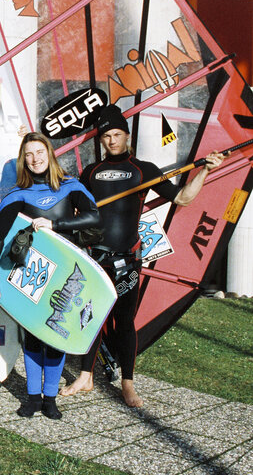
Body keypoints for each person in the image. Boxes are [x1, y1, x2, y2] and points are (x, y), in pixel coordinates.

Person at [60, 104, 226, 407]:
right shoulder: (90, 173)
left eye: (117, 134)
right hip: (95, 258)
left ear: (127, 136)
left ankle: (128, 384)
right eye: (106, 136)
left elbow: (183, 198)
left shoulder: (143, 170)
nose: (111, 141)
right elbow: (72, 209)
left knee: (124, 321)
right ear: (101, 141)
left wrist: (206, 170)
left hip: (128, 260)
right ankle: (85, 376)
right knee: (91, 318)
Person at [0, 132, 100, 420]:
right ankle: (33, 397)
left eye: (39, 152)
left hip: (64, 273)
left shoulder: (69, 186)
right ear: (23, 160)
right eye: (29, 154)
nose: (35, 159)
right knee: (34, 335)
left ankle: (51, 398)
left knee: (56, 333)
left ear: (49, 153)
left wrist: (55, 224)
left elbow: (94, 217)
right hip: (31, 276)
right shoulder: (17, 194)